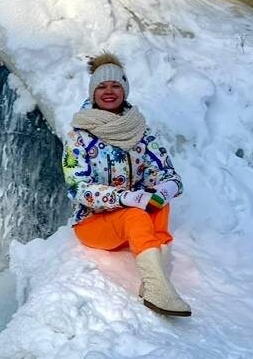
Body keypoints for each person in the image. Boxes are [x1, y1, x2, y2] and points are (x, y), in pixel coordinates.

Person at [61, 53, 191, 316]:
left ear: (125, 90)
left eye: (115, 85)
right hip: (93, 222)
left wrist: (164, 189)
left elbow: (167, 173)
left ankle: (154, 282)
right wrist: (125, 198)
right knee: (135, 215)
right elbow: (78, 188)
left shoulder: (140, 130)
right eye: (102, 86)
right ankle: (158, 289)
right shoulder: (79, 136)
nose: (109, 91)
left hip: (131, 220)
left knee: (159, 205)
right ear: (93, 92)